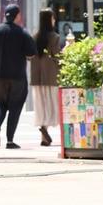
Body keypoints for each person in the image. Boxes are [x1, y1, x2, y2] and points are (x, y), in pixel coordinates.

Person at [0, 5, 35, 149]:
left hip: (0, 75)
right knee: (15, 106)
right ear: (17, 16)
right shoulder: (23, 33)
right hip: (18, 76)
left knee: (0, 103)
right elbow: (31, 53)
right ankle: (10, 140)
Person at [29, 11, 61, 147]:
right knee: (51, 105)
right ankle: (45, 131)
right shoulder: (55, 37)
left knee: (41, 106)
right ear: (50, 20)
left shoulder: (34, 37)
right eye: (53, 18)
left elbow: (30, 55)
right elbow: (57, 56)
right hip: (51, 76)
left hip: (37, 77)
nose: (54, 20)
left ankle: (44, 136)